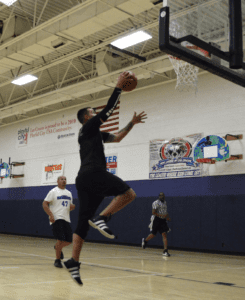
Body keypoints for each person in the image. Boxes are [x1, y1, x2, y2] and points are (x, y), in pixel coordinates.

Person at [63, 71, 147, 285]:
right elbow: (108, 110)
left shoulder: (93, 134)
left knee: (82, 223)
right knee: (128, 193)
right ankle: (103, 218)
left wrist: (132, 123)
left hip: (84, 179)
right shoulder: (88, 127)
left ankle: (74, 260)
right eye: (93, 111)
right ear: (86, 117)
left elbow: (117, 138)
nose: (96, 113)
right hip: (93, 173)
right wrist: (118, 87)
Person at [42, 176, 75, 268]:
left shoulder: (69, 193)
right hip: (56, 218)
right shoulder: (53, 191)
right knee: (60, 240)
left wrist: (72, 207)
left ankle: (57, 248)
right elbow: (44, 204)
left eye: (65, 179)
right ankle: (57, 260)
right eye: (62, 179)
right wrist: (51, 215)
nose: (64, 181)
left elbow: (68, 206)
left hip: (66, 218)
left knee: (69, 240)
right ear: (57, 181)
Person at [142, 192, 171, 257]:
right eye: (161, 195)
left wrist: (168, 217)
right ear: (159, 196)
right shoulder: (156, 203)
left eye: (163, 195)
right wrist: (160, 215)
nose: (162, 196)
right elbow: (153, 212)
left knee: (164, 234)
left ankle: (165, 250)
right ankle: (145, 240)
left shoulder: (165, 202)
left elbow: (165, 212)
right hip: (157, 220)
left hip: (163, 220)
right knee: (153, 234)